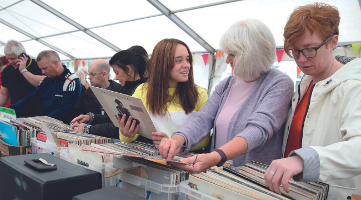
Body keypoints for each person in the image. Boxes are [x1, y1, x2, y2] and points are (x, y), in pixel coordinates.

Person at [158, 19, 293, 173]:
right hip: (219, 173)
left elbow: (258, 129)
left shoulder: (279, 83)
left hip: (251, 180)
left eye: (233, 54)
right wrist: (178, 139)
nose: (227, 60)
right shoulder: (227, 83)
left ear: (252, 55)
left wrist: (216, 156)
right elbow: (203, 118)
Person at [264, 3, 361, 198]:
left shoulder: (353, 87)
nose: (300, 59)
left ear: (332, 42)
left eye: (309, 49)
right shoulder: (305, 83)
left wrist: (303, 161)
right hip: (295, 191)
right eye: (295, 51)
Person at [118, 39, 210, 152]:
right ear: (162, 63)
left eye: (187, 60)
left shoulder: (199, 94)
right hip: (151, 162)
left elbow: (204, 139)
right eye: (179, 60)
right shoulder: (142, 90)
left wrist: (174, 142)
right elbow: (126, 138)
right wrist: (127, 133)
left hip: (185, 163)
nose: (186, 65)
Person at [71, 50, 147, 140]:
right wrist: (92, 117)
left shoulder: (139, 91)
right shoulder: (126, 89)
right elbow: (115, 118)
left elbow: (118, 126)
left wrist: (88, 129)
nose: (116, 78)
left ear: (128, 69)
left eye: (117, 73)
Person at [0, 40, 44, 119]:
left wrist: (23, 71)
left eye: (12, 58)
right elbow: (3, 94)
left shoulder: (38, 66)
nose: (10, 62)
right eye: (8, 58)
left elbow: (43, 83)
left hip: (37, 116)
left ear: (23, 54)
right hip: (16, 116)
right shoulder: (7, 71)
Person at [8, 50, 81, 122]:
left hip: (62, 130)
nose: (42, 72)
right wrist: (11, 109)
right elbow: (31, 99)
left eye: (45, 68)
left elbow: (64, 110)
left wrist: (41, 121)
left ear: (56, 63)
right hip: (45, 126)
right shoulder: (47, 80)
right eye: (41, 69)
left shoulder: (72, 82)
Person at [64, 59, 122, 124]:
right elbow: (76, 114)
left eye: (93, 74)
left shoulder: (120, 92)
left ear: (104, 74)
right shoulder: (87, 94)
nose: (89, 77)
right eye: (89, 74)